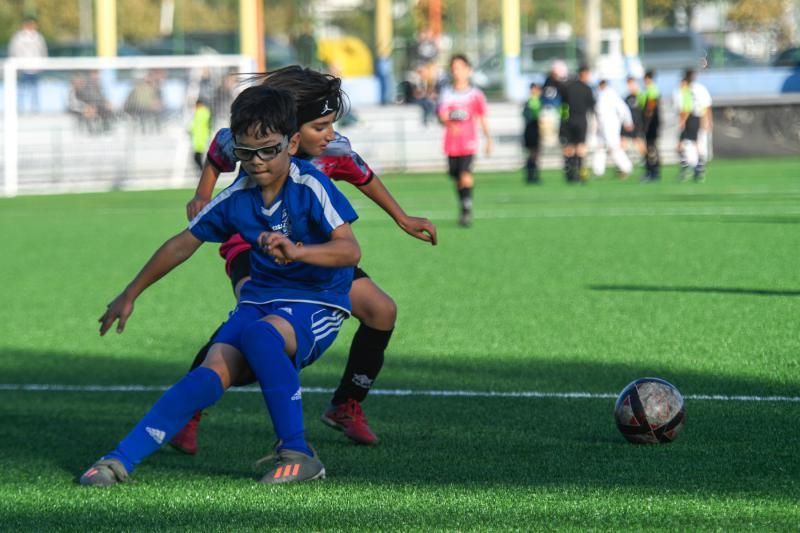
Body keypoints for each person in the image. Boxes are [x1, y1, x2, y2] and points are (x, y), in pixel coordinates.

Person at [79, 86, 361, 487]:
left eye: (268, 150)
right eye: (246, 153)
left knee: (262, 337)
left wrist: (298, 253)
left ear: (292, 143)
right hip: (259, 301)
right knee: (210, 370)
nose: (257, 162)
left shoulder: (310, 185)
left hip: (318, 302)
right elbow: (182, 243)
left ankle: (300, 453)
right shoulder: (237, 196)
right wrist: (130, 292)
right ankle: (118, 461)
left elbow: (349, 251)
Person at [173, 66, 438, 454]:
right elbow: (216, 153)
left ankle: (346, 405)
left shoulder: (333, 147)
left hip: (309, 252)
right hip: (251, 245)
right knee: (252, 321)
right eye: (320, 125)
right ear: (289, 129)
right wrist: (203, 195)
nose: (329, 133)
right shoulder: (246, 137)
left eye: (331, 123)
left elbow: (364, 176)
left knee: (382, 311)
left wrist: (402, 218)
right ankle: (187, 409)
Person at [436, 54, 492, 226]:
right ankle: (463, 202)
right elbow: (441, 115)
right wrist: (447, 122)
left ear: (468, 70)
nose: (457, 72)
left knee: (465, 174)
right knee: (456, 176)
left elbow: (482, 117)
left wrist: (488, 139)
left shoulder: (475, 94)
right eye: (454, 69)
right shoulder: (447, 93)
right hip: (451, 143)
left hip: (469, 142)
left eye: (460, 68)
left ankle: (466, 208)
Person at [592, 79, 634, 179]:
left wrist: (628, 121)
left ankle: (626, 167)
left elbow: (623, 108)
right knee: (600, 146)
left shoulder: (611, 94)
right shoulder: (598, 94)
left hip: (611, 124)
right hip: (601, 124)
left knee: (614, 146)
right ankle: (598, 170)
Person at [561, 65, 596, 183]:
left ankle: (570, 173)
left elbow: (563, 106)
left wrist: (563, 122)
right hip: (581, 121)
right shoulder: (587, 88)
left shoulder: (568, 87)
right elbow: (592, 107)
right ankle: (581, 172)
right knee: (581, 146)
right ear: (584, 74)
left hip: (569, 121)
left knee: (569, 146)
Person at [9, 16, 48, 113]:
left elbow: (43, 52)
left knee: (34, 90)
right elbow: (13, 51)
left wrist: (42, 64)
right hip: (22, 68)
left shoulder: (38, 37)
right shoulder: (18, 37)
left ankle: (35, 110)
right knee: (21, 90)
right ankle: (19, 110)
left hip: (35, 68)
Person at [685, 69, 712, 181]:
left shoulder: (697, 89)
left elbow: (706, 105)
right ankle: (695, 167)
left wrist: (707, 120)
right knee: (692, 145)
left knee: (698, 144)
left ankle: (698, 168)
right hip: (692, 118)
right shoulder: (685, 89)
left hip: (697, 118)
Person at [640, 70, 661, 181]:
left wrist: (647, 120)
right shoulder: (646, 89)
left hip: (652, 122)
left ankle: (653, 171)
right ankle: (650, 170)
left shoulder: (652, 89)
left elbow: (651, 106)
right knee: (649, 146)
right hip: (648, 122)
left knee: (651, 146)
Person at [621, 77, 646, 163]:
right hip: (628, 123)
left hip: (638, 124)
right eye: (628, 84)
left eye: (632, 84)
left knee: (638, 142)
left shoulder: (641, 95)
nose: (630, 86)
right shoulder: (626, 97)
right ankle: (623, 162)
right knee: (622, 141)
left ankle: (646, 160)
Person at [522, 82, 542, 184]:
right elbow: (530, 116)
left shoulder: (535, 101)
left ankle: (533, 175)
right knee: (533, 154)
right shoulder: (532, 101)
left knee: (534, 154)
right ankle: (531, 175)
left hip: (534, 130)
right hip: (531, 130)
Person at [189, 98, 212, 170]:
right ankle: (202, 170)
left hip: (200, 137)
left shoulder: (201, 112)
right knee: (198, 157)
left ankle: (203, 170)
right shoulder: (205, 112)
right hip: (200, 137)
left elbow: (195, 125)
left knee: (197, 157)